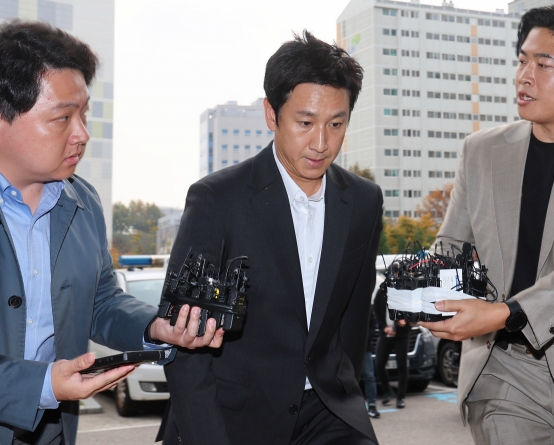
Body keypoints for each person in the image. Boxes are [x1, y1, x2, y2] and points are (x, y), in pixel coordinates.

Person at [418, 4, 554, 444]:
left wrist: (506, 312)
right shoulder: (480, 152)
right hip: (504, 371)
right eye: (522, 60)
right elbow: (451, 245)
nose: (524, 76)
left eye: (543, 64)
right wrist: (422, 290)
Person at [0, 21, 223, 445]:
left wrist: (157, 326)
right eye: (62, 117)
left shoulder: (82, 202)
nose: (82, 133)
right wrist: (43, 385)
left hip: (53, 432)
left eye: (83, 114)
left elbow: (100, 300)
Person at [161, 31, 382, 445]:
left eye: (337, 124)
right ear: (271, 113)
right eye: (305, 123)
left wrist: (345, 391)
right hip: (233, 416)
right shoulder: (217, 199)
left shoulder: (365, 201)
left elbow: (353, 319)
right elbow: (183, 335)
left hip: (328, 411)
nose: (321, 142)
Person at [373, 287, 410, 409]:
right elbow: (377, 310)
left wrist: (396, 328)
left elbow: (407, 312)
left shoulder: (404, 291)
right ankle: (387, 391)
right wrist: (383, 327)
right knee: (379, 364)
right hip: (385, 333)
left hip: (401, 335)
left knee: (402, 365)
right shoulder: (381, 291)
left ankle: (401, 397)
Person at [361, 304, 380, 418]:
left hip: (365, 347)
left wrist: (365, 338)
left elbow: (373, 325)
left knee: (369, 376)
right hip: (347, 349)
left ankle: (372, 405)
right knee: (348, 378)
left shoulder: (367, 306)